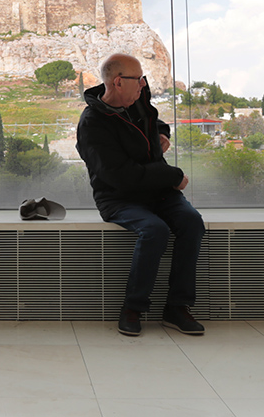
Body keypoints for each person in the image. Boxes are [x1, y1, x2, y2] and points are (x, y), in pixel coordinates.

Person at [76, 53, 205, 337]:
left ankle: (177, 307)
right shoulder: (92, 123)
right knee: (154, 230)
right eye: (139, 79)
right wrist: (173, 176)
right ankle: (133, 308)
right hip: (118, 197)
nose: (144, 84)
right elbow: (121, 176)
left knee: (192, 222)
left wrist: (163, 133)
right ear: (119, 82)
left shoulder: (138, 100)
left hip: (158, 192)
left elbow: (153, 121)